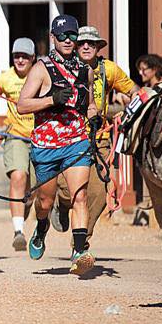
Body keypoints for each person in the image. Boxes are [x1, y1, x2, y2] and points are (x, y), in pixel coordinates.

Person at [15, 14, 99, 276]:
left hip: (76, 141)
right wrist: (51, 99)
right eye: (61, 35)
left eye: (72, 35)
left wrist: (94, 118)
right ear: (53, 37)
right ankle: (41, 229)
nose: (67, 40)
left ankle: (79, 251)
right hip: (46, 145)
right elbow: (22, 105)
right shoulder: (41, 69)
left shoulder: (86, 70)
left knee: (80, 196)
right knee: (45, 201)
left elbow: (91, 104)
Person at [50, 26, 136, 240]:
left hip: (99, 139)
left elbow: (134, 92)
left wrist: (129, 111)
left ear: (98, 47)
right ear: (75, 47)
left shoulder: (110, 70)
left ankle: (81, 242)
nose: (86, 46)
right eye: (81, 43)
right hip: (68, 137)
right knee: (67, 188)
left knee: (99, 192)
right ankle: (62, 204)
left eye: (92, 43)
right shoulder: (61, 68)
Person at [0, 37, 37, 251]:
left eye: (24, 56)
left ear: (33, 58)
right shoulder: (4, 78)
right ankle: (18, 232)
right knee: (18, 176)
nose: (20, 60)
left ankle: (29, 206)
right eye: (16, 56)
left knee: (37, 189)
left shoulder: (41, 76)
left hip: (41, 137)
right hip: (15, 135)